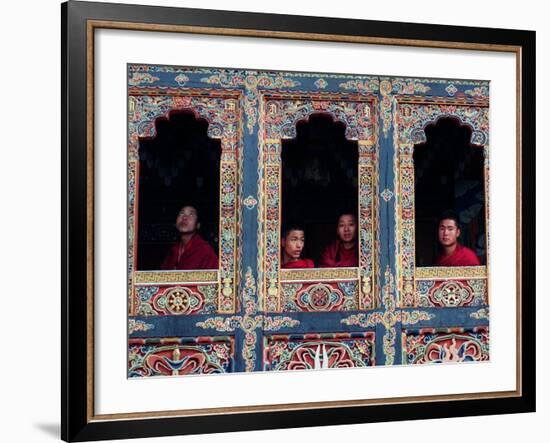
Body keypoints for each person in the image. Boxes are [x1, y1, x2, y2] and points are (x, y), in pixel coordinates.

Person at [161, 205, 218, 270]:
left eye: (191, 215)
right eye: (181, 213)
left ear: (198, 225)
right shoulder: (173, 251)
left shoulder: (205, 250)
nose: (184, 217)